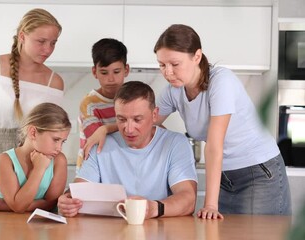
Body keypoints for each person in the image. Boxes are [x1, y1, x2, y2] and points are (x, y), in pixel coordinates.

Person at [153, 24, 291, 219]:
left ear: (197, 57)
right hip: (225, 177)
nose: (167, 72)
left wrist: (210, 204)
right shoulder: (173, 92)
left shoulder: (221, 81)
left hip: (259, 172)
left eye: (174, 64)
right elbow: (146, 122)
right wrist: (107, 129)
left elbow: (214, 145)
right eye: (161, 65)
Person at [0, 8, 64, 207]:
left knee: (26, 218)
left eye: (53, 43)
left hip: (32, 159)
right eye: (41, 41)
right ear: (22, 36)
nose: (47, 49)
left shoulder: (55, 82)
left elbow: (52, 127)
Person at [58, 81, 197, 219]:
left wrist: (154, 208)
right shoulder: (101, 144)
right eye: (122, 119)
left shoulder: (175, 144)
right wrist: (67, 201)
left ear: (154, 115)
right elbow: (78, 192)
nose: (129, 129)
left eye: (137, 119)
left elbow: (188, 199)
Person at [0, 103, 71, 213]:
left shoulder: (59, 160)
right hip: (4, 224)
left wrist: (6, 206)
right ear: (33, 132)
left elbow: (51, 204)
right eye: (55, 140)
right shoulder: (4, 161)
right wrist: (39, 169)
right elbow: (19, 206)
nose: (59, 148)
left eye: (63, 142)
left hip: (40, 227)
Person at [76, 38, 129, 173]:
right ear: (95, 72)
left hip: (121, 166)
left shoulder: (134, 98)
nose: (110, 79)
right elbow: (96, 138)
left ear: (126, 70)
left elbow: (148, 126)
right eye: (104, 73)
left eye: (116, 72)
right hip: (91, 169)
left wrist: (105, 129)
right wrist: (104, 130)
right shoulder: (89, 104)